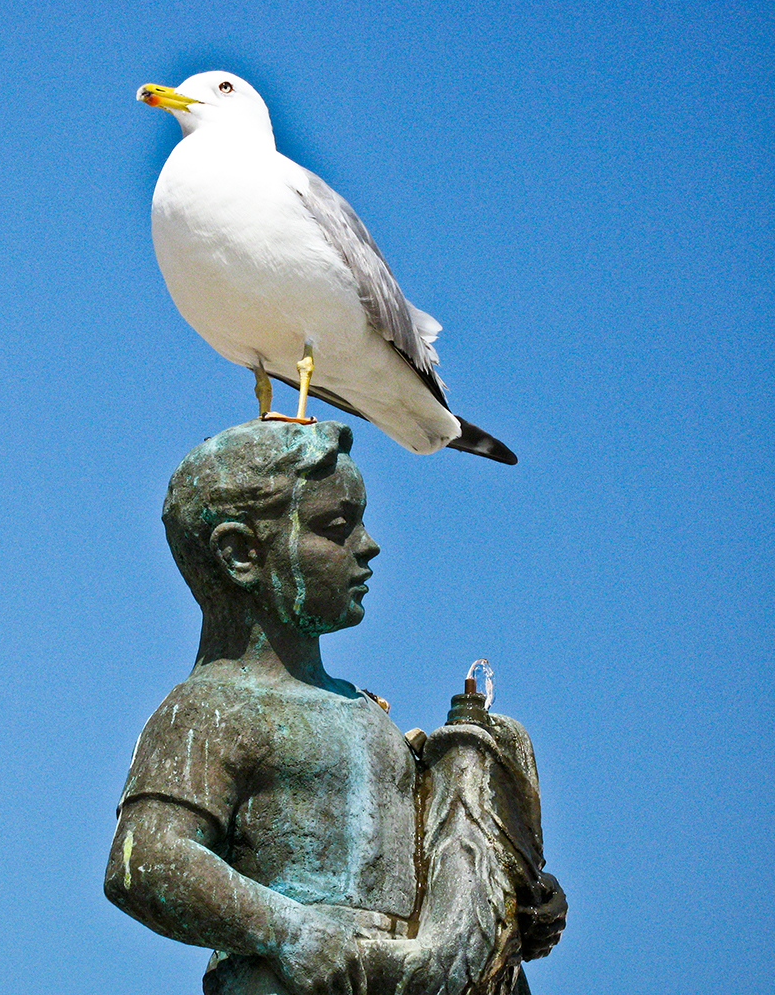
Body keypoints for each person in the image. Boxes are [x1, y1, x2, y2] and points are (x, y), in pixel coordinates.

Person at [105, 420, 563, 995]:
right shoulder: (208, 707)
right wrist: (286, 930)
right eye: (336, 527)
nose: (367, 545)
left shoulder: (367, 713)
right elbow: (144, 861)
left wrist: (514, 904)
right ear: (242, 553)